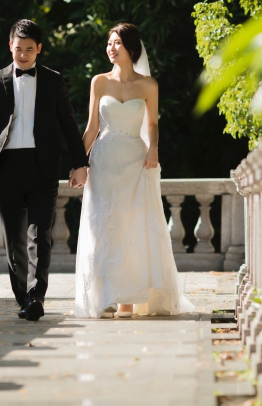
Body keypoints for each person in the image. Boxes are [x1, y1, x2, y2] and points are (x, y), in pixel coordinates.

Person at [72, 22, 194, 318]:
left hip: (135, 162)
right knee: (103, 228)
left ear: (131, 48)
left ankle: (127, 301)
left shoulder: (148, 85)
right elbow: (91, 127)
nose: (111, 48)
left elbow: (152, 124)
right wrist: (78, 162)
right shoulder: (99, 82)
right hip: (103, 162)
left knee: (132, 227)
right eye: (109, 43)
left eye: (117, 43)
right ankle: (104, 297)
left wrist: (153, 147)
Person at [0, 19, 89, 321]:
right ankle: (24, 299)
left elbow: (68, 124)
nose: (23, 55)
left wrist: (80, 163)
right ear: (10, 46)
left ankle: (37, 298)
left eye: (30, 49)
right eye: (18, 49)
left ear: (39, 49)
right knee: (14, 238)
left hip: (42, 167)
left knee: (40, 235)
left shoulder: (53, 80)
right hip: (7, 167)